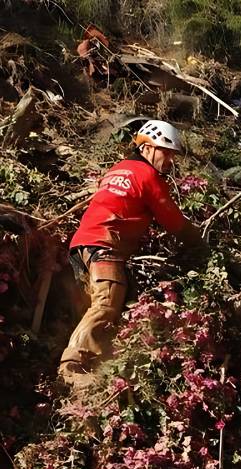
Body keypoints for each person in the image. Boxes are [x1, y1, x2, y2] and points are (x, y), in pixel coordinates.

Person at [60, 119, 209, 385]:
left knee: (91, 307)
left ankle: (93, 367)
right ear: (148, 147)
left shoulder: (118, 170)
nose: (171, 161)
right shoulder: (148, 176)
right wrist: (201, 246)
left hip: (81, 244)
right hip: (106, 244)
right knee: (106, 302)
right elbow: (175, 222)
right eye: (168, 153)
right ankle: (72, 366)